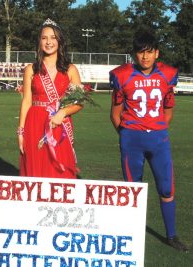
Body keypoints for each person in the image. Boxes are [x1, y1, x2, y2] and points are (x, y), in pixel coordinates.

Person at [109, 30, 188, 252]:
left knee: (166, 188)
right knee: (133, 190)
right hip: (131, 140)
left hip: (158, 140)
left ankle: (171, 235)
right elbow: (115, 114)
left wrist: (157, 131)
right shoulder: (122, 75)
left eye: (150, 52)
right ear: (134, 54)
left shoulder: (167, 75)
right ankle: (132, 234)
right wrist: (127, 135)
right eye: (141, 52)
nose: (145, 57)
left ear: (157, 53)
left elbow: (169, 110)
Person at [18, 18, 82, 178]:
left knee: (61, 172)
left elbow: (79, 102)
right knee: (36, 172)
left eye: (53, 38)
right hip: (34, 124)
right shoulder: (31, 69)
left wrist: (63, 112)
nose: (48, 42)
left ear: (59, 41)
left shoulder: (70, 69)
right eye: (44, 38)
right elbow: (26, 101)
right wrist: (21, 132)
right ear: (39, 41)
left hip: (59, 124)